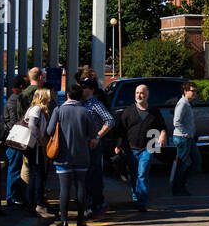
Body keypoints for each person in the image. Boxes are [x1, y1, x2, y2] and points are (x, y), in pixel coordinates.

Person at [46, 87, 102, 226]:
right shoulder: (85, 111)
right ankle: (80, 220)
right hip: (82, 154)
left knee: (64, 188)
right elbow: (93, 133)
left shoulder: (58, 110)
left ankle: (64, 221)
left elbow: (49, 130)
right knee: (81, 187)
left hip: (62, 155)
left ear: (67, 95)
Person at [115, 83, 168, 212]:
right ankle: (136, 197)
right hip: (131, 148)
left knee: (143, 174)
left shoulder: (154, 112)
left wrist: (163, 135)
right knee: (134, 175)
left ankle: (141, 202)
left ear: (147, 95)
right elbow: (121, 131)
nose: (139, 95)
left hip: (148, 147)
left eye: (142, 93)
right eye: (137, 93)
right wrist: (117, 146)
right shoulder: (128, 111)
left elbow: (163, 127)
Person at [81, 76, 115, 218]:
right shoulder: (81, 103)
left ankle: (97, 204)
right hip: (83, 145)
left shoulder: (95, 104)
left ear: (92, 90)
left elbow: (110, 120)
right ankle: (89, 203)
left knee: (93, 175)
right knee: (85, 176)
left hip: (92, 145)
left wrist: (97, 136)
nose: (82, 89)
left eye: (85, 87)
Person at [0, 75, 29, 212]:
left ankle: (13, 197)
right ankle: (11, 198)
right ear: (21, 87)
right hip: (15, 140)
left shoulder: (12, 99)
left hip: (14, 139)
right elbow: (14, 122)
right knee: (14, 169)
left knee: (14, 168)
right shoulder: (15, 100)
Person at [23, 87, 54, 218]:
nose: (51, 98)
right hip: (35, 147)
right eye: (48, 95)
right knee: (38, 175)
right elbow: (31, 125)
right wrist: (40, 139)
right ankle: (38, 205)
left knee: (36, 175)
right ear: (43, 97)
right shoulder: (36, 109)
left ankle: (32, 205)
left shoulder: (35, 109)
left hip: (34, 146)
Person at [170, 82, 200, 198]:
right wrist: (186, 134)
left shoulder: (187, 103)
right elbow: (176, 121)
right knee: (182, 164)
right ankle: (178, 188)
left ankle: (181, 185)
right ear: (185, 91)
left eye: (195, 91)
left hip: (189, 138)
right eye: (192, 91)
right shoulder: (182, 103)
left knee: (196, 162)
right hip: (183, 138)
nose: (194, 93)